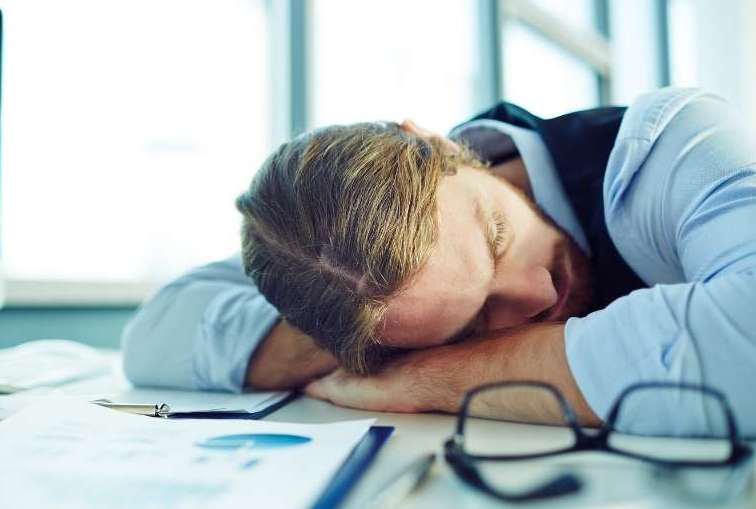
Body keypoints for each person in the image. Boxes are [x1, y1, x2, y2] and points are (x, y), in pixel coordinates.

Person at [121, 87, 756, 435]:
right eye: (474, 321)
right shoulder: (341, 265)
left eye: (498, 235)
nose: (539, 293)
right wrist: (373, 340)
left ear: (436, 144)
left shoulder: (670, 144)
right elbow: (156, 336)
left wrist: (429, 375)